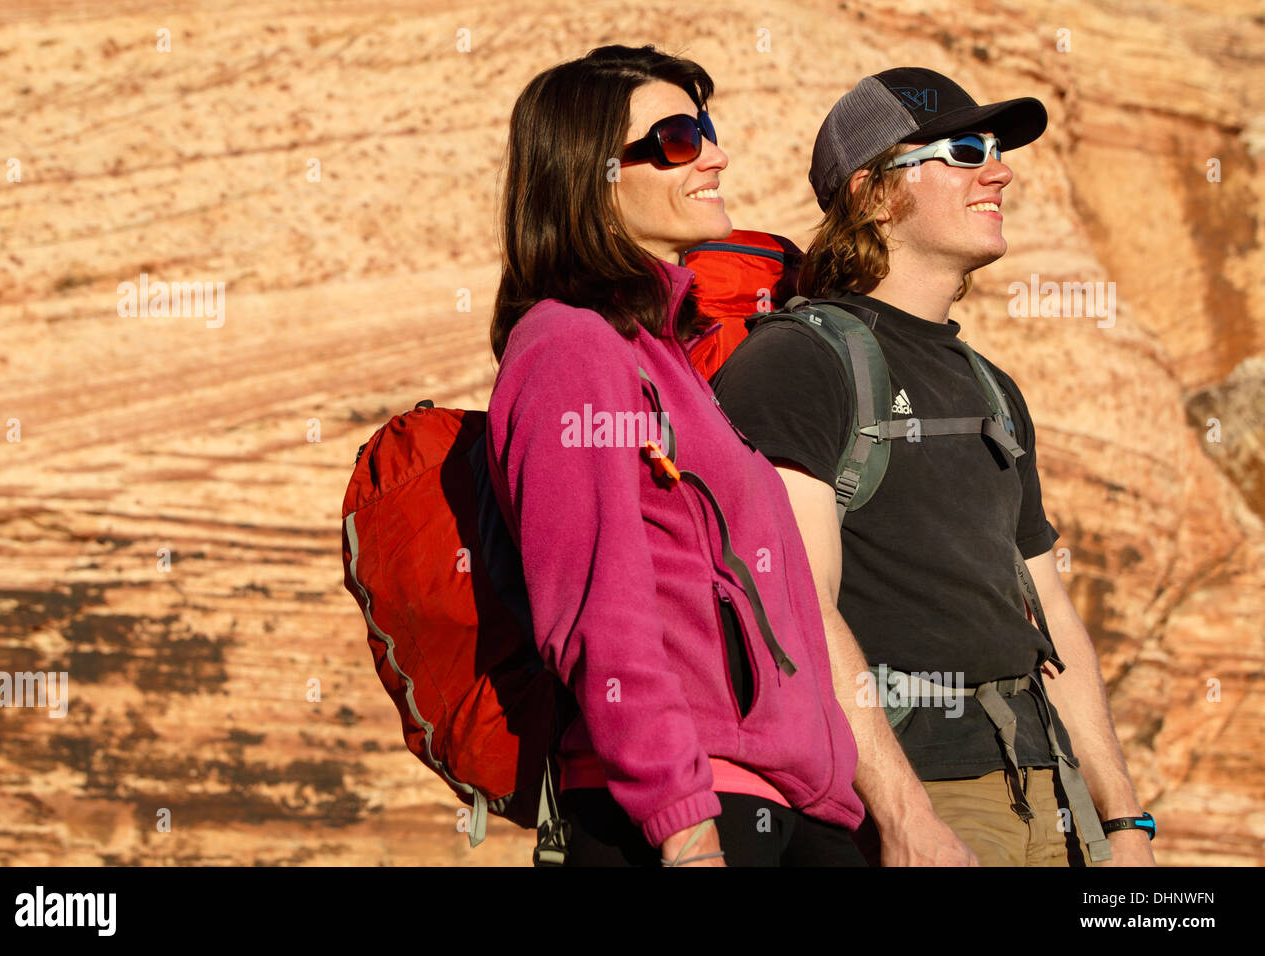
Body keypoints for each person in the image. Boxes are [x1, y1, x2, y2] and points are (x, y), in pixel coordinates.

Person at [711, 67, 1157, 866]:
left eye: (994, 147)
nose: (1000, 168)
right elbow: (796, 607)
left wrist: (1122, 822)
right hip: (925, 800)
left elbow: (1049, 609)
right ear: (875, 193)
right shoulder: (797, 365)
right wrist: (909, 817)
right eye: (963, 149)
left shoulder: (992, 386)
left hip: (1047, 795)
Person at [485, 45, 866, 867]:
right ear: (595, 176)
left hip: (785, 802)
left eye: (709, 132)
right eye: (679, 139)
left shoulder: (673, 361)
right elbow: (597, 610)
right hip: (682, 812)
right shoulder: (569, 347)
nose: (717, 154)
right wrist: (684, 825)